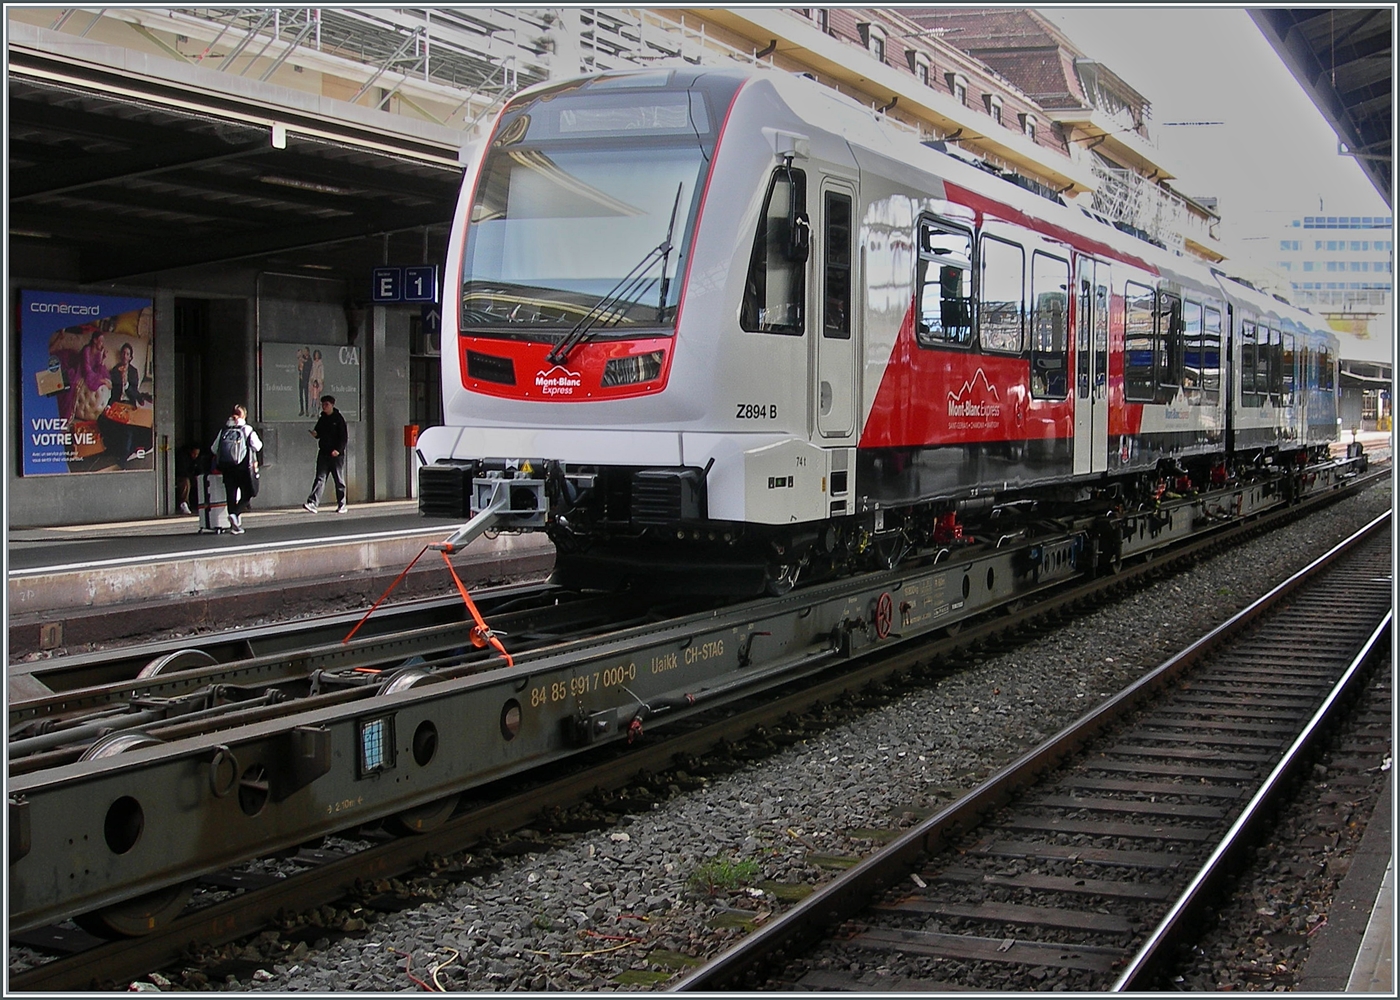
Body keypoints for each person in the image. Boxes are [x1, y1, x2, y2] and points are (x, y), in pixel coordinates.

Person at [213, 404, 262, 534]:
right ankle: (235, 514)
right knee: (249, 493)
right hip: (243, 468)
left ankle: (234, 524)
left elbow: (214, 448)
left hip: (227, 468)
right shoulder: (247, 429)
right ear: (244, 416)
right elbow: (257, 446)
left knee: (231, 494)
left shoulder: (224, 430)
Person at [303, 394, 348, 514]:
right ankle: (313, 503)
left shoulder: (338, 419)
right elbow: (319, 433)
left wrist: (338, 450)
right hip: (323, 453)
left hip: (336, 455)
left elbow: (344, 437)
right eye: (323, 404)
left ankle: (342, 504)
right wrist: (315, 434)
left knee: (338, 480)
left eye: (326, 404)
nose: (324, 407)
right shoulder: (322, 418)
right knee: (320, 478)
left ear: (332, 405)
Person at [175, 442, 209, 515]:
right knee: (185, 482)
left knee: (202, 481)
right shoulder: (183, 457)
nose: (195, 456)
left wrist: (198, 476)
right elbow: (182, 471)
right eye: (194, 454)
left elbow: (200, 469)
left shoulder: (198, 459)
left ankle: (203, 503)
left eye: (197, 454)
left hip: (192, 476)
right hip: (183, 476)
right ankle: (184, 503)